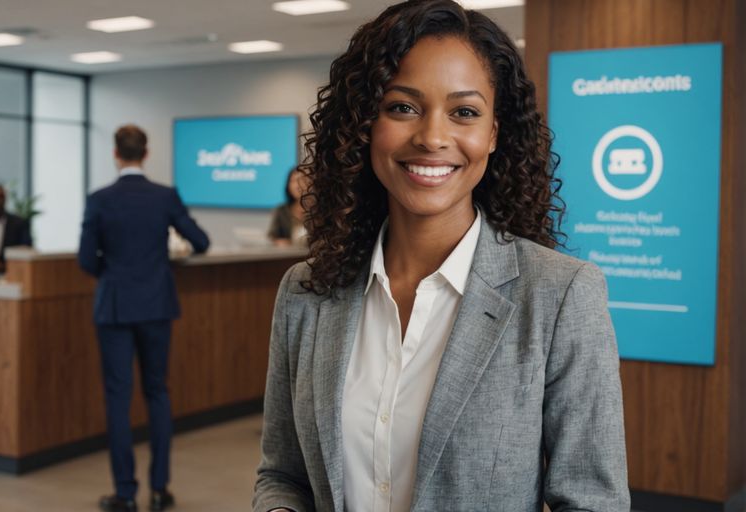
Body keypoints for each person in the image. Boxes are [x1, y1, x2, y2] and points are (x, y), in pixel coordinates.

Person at [253, 1, 630, 511]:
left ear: (493, 133)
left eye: (465, 112)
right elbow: (283, 474)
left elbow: (592, 502)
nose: (432, 137)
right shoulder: (305, 291)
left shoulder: (560, 295)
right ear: (366, 124)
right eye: (402, 107)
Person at [78, 125, 210, 512]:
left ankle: (124, 493)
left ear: (116, 155)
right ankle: (158, 489)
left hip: (115, 306)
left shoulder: (99, 199)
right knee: (157, 393)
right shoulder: (164, 196)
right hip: (155, 305)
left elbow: (86, 260)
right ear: (146, 154)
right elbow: (200, 242)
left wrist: (114, 271)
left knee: (118, 399)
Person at [267, 168, 309, 247]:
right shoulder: (281, 210)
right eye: (293, 181)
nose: (297, 185)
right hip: (288, 256)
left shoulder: (318, 210)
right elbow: (273, 237)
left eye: (302, 180)